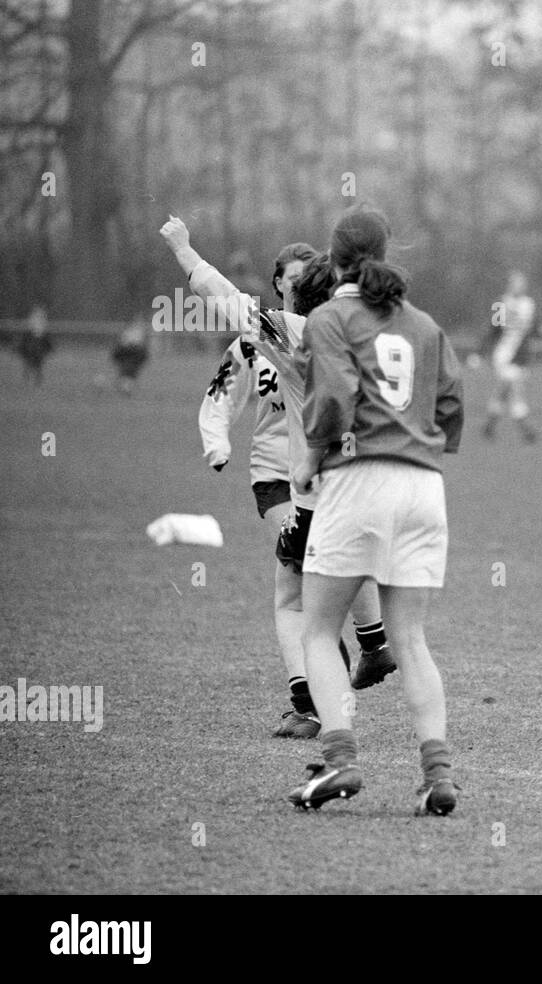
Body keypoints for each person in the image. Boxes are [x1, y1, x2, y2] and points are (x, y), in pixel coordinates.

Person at [161, 218, 395, 741]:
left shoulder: (286, 333)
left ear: (295, 293)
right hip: (372, 486)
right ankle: (375, 643)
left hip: (315, 489)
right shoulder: (367, 332)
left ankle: (308, 708)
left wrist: (184, 248)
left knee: (292, 600)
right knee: (339, 576)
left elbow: (221, 295)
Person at [289, 205, 464, 815]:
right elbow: (452, 405)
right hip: (424, 487)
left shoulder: (330, 316)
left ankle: (339, 764)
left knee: (316, 629)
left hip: (358, 480)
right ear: (386, 254)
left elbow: (335, 395)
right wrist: (420, 444)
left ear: (331, 259)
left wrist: (312, 456)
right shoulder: (423, 324)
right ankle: (437, 776)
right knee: (410, 636)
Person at [482, 271, 540, 443]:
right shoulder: (501, 304)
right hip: (504, 354)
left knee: (502, 391)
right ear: (510, 284)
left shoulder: (529, 304)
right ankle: (527, 430)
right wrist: (481, 352)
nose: (519, 286)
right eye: (516, 283)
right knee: (516, 389)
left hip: (521, 356)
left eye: (522, 283)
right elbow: (493, 330)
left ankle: (489, 426)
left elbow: (534, 328)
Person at [111, 318, 150, 394]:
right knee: (127, 370)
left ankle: (126, 384)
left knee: (130, 370)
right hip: (127, 351)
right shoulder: (127, 331)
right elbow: (121, 344)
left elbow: (141, 345)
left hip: (135, 352)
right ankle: (125, 384)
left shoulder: (139, 331)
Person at [17, 304, 54, 386]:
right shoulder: (36, 314)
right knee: (25, 340)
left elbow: (43, 325)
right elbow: (31, 325)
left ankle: (21, 349)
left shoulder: (41, 314)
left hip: (38, 332)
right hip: (35, 332)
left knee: (46, 340)